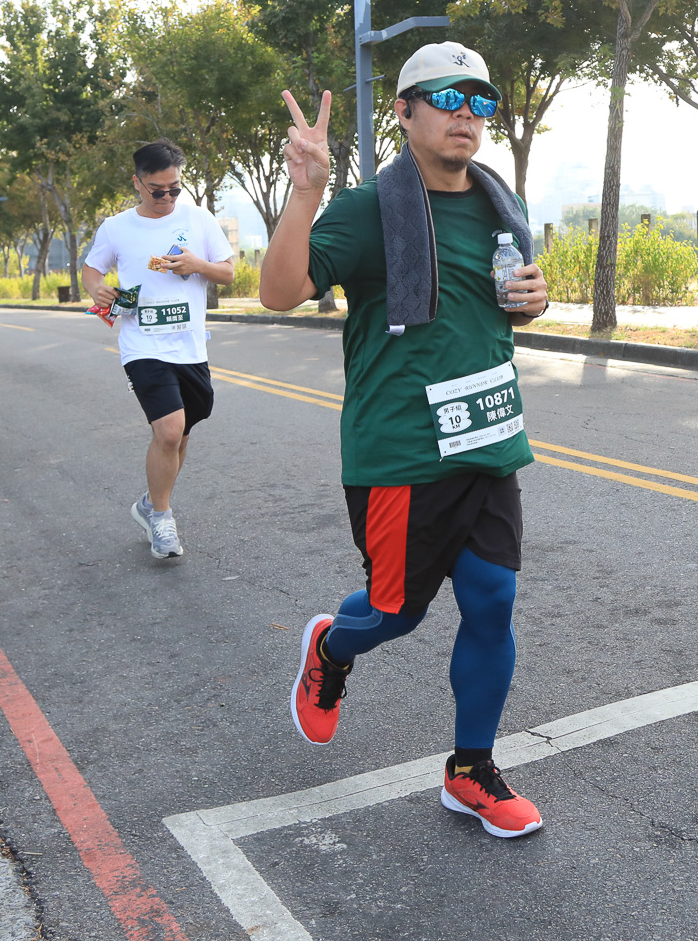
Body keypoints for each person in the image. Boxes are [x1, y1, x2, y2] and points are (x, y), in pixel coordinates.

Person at [260, 41, 552, 839]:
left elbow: (500, 306)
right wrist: (306, 193)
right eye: (448, 97)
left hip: (488, 437)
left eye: (481, 101)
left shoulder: (500, 204)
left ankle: (471, 771)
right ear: (404, 111)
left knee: (493, 602)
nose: (467, 115)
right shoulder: (367, 210)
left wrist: (533, 301)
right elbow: (279, 292)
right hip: (402, 451)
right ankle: (333, 646)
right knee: (395, 613)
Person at [83, 140, 235, 559]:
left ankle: (151, 503)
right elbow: (91, 270)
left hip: (190, 347)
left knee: (181, 434)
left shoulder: (198, 219)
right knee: (168, 431)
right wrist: (97, 288)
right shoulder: (116, 227)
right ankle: (163, 520)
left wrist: (197, 265)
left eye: (175, 188)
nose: (167, 197)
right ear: (137, 183)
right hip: (142, 345)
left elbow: (227, 272)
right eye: (157, 190)